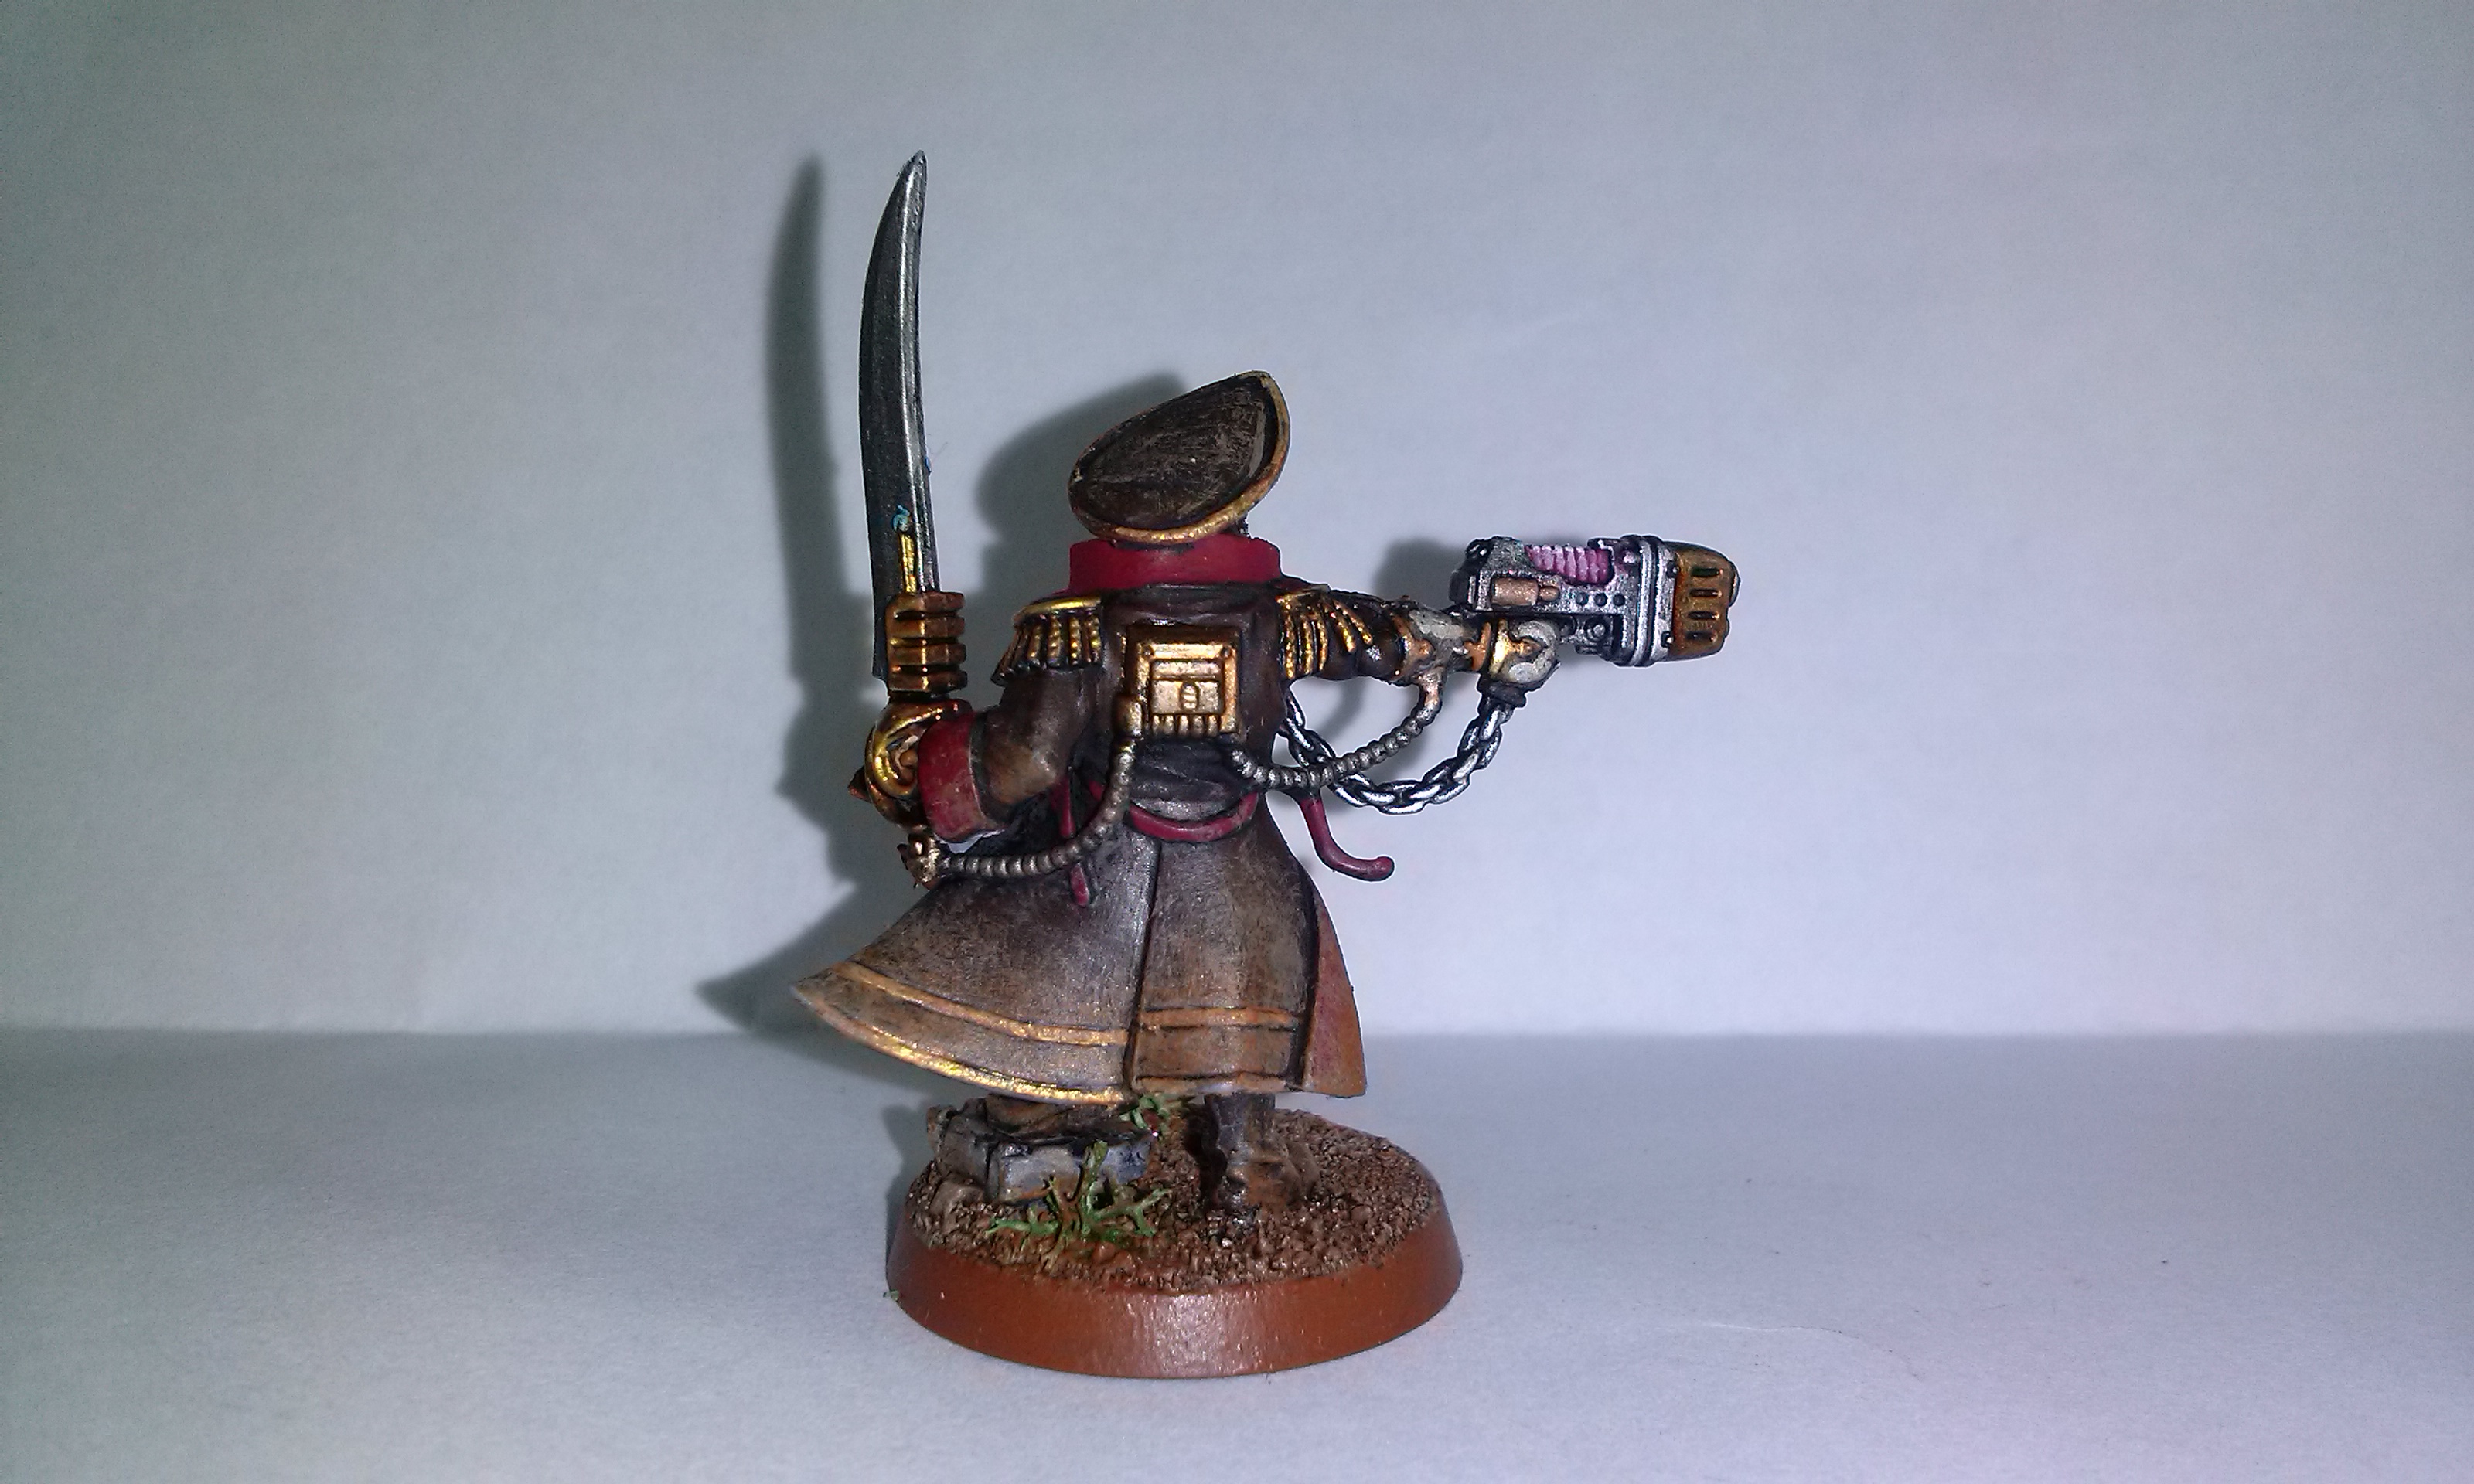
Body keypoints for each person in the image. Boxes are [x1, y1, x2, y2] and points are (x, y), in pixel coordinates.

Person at [798, 372, 1554, 1215]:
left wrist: (925, 763)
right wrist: (1490, 647)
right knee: (1249, 984)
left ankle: (1040, 1116)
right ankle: (1248, 1160)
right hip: (1234, 859)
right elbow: (1397, 637)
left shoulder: (1073, 629)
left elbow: (1023, 765)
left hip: (1093, 861)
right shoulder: (1284, 618)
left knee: (1041, 984)